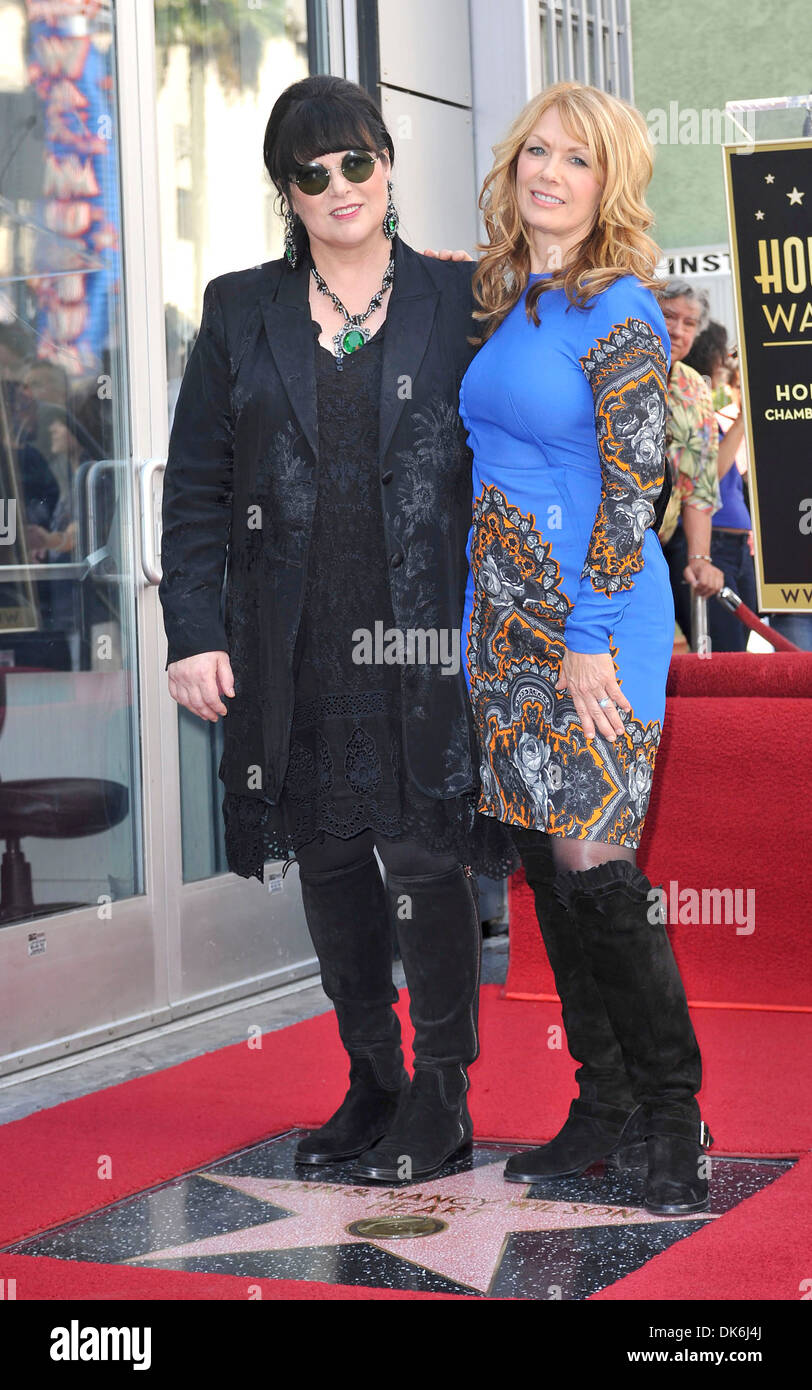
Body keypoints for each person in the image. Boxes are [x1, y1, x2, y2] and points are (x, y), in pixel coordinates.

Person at [158, 75, 516, 1186]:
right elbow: (200, 488)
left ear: (387, 164)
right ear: (287, 193)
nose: (337, 186)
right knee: (326, 856)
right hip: (292, 638)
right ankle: (370, 1075)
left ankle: (442, 1090)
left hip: (421, 641)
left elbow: (517, 455)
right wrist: (193, 629)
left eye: (354, 161)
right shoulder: (238, 311)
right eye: (309, 173)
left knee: (422, 854)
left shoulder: (459, 302)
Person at [459, 80, 712, 1215]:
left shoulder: (617, 308)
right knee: (544, 872)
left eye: (575, 159)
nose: (548, 174)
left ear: (608, 184)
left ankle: (674, 1115)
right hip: (505, 634)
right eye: (534, 154)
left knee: (594, 869)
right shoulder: (515, 297)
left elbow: (633, 486)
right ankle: (601, 1100)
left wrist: (591, 640)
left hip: (592, 628)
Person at [656, 279, 724, 647]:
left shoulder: (696, 386)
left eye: (689, 323)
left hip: (662, 543)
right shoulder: (610, 366)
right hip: (598, 544)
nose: (677, 331)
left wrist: (699, 557)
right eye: (669, 316)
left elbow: (699, 482)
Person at [684, 322, 757, 651]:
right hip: (718, 542)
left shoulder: (712, 416)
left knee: (744, 639)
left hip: (739, 545)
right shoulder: (703, 418)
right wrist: (743, 417)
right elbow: (710, 474)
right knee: (729, 649)